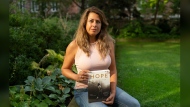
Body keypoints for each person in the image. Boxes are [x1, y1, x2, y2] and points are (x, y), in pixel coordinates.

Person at [61, 6, 140, 107]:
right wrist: (76, 76)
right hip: (84, 91)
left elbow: (113, 70)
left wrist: (112, 92)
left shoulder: (109, 43)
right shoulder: (75, 45)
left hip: (105, 87)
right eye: (91, 21)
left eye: (98, 22)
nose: (94, 25)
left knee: (134, 104)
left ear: (102, 25)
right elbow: (64, 69)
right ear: (85, 23)